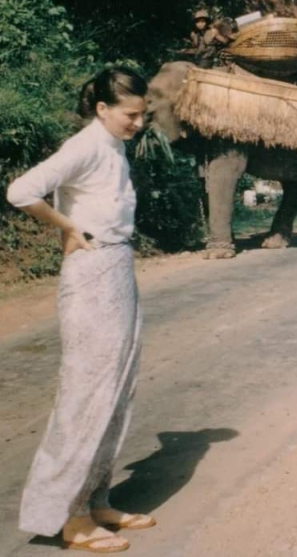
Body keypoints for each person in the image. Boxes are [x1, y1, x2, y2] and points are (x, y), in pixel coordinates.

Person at [6, 67, 156, 553]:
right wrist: (67, 227)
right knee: (85, 394)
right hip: (90, 274)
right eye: (131, 115)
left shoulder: (112, 146)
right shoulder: (86, 145)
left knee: (116, 390)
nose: (138, 123)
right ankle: (69, 518)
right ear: (103, 110)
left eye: (142, 115)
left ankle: (97, 501)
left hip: (117, 265)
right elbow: (21, 191)